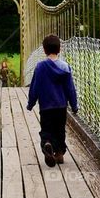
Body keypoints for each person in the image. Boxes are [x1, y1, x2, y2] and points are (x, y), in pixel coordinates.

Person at [26, 34, 78, 167]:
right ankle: (59, 153)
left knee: (47, 129)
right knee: (60, 130)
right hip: (61, 106)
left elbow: (35, 87)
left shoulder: (40, 67)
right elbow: (70, 89)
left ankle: (47, 143)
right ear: (59, 49)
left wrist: (31, 103)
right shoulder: (65, 67)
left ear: (44, 50)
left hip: (46, 106)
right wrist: (74, 105)